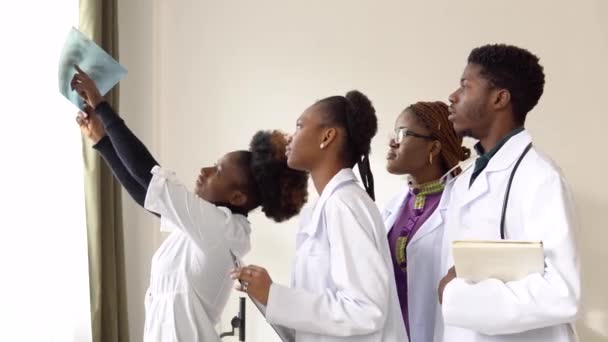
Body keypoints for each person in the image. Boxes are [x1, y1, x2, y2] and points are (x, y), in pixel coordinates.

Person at [71, 66, 309, 342]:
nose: (205, 171)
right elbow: (145, 193)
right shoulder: (203, 226)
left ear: (237, 198)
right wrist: (102, 141)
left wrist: (101, 106)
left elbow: (147, 174)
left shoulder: (222, 231)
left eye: (218, 171)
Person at [232, 91, 408, 341]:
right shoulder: (325, 207)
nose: (291, 137)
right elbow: (314, 325)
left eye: (300, 125)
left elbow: (366, 311)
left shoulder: (344, 204)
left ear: (327, 136)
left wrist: (274, 296)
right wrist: (265, 297)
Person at [436, 44, 580, 342]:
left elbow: (561, 292)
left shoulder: (541, 177)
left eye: (465, 85)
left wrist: (455, 293)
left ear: (499, 98)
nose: (452, 96)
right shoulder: (465, 178)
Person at [382, 101, 469, 341]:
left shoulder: (464, 204)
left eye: (402, 133)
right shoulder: (392, 207)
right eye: (393, 133)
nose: (392, 142)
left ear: (434, 147)